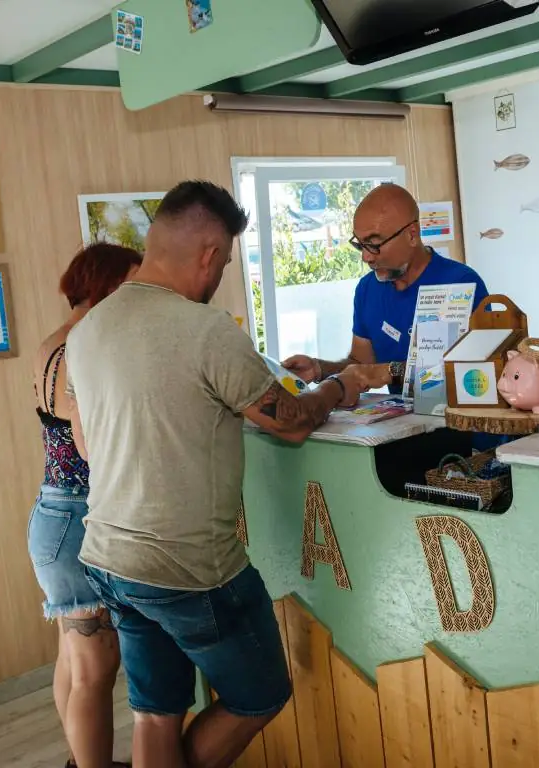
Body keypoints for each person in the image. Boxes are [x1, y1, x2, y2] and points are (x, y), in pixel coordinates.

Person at [64, 180, 386, 768]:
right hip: (191, 567)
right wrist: (339, 386)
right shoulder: (206, 330)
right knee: (260, 693)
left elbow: (90, 441)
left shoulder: (88, 330)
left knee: (156, 710)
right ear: (209, 254)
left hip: (110, 555)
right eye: (227, 262)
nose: (220, 279)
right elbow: (288, 421)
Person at [27, 243, 142, 768]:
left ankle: (81, 760)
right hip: (77, 518)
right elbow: (89, 439)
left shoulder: (51, 344)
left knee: (75, 664)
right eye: (132, 286)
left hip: (54, 512)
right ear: (108, 286)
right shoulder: (83, 347)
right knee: (97, 667)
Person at [283, 182, 489, 394]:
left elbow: (478, 374)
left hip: (457, 424)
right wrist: (319, 369)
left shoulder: (461, 284)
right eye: (360, 244)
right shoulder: (367, 289)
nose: (366, 256)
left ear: (411, 234)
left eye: (374, 244)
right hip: (405, 425)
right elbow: (362, 366)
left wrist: (392, 371)